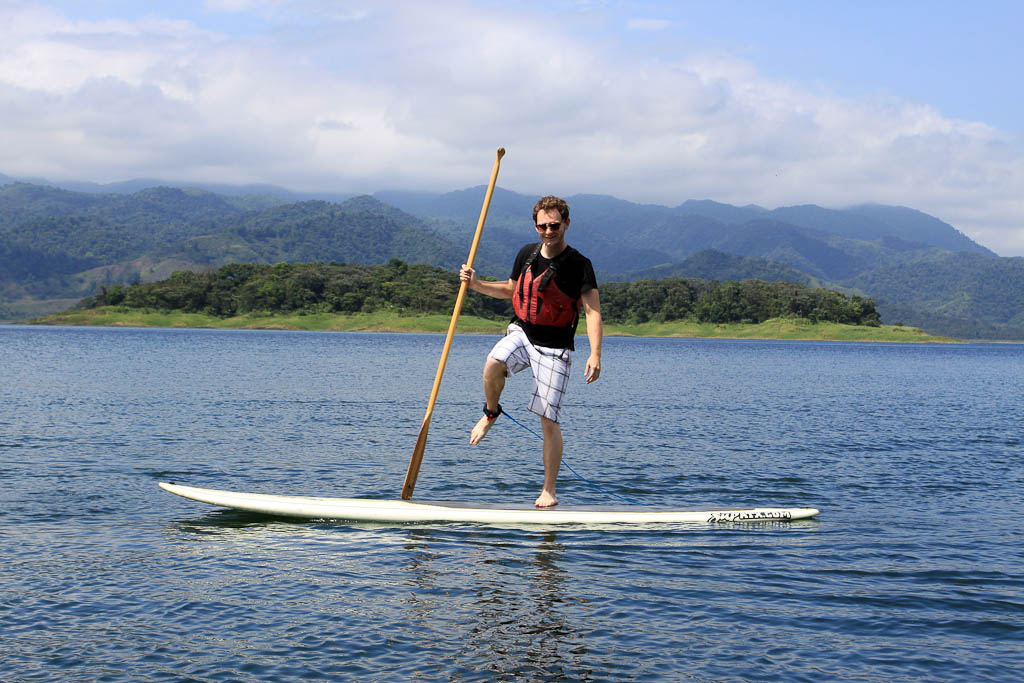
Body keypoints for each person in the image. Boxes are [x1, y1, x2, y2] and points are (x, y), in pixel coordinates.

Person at [459, 195, 602, 508]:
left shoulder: (580, 265)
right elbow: (511, 289)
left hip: (555, 348)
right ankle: (491, 411)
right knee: (493, 362)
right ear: (536, 226)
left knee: (548, 420)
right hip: (522, 333)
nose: (548, 231)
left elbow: (592, 311)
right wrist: (476, 284)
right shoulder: (527, 253)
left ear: (566, 224)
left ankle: (549, 491)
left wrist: (595, 354)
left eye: (554, 225)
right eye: (542, 226)